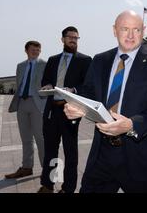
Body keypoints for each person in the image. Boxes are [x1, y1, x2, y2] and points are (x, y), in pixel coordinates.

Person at [64, 11, 147, 193]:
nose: (130, 35)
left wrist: (130, 124)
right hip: (102, 153)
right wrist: (76, 106)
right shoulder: (100, 60)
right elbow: (88, 93)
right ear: (114, 30)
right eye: (124, 29)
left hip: (139, 155)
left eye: (136, 29)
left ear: (143, 30)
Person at [37, 26, 92, 193]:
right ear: (62, 39)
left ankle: (68, 188)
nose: (73, 40)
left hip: (70, 111)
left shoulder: (85, 60)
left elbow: (88, 86)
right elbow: (46, 81)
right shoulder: (52, 60)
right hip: (51, 111)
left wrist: (74, 90)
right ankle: (47, 185)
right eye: (70, 37)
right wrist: (46, 86)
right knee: (50, 151)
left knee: (70, 153)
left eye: (76, 38)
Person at [5, 41, 47, 179]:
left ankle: (46, 169)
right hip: (22, 103)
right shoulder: (20, 66)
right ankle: (27, 167)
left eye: (38, 49)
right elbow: (19, 84)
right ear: (26, 50)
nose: (36, 51)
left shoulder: (45, 64)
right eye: (33, 49)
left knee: (40, 138)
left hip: (38, 104)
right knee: (26, 138)